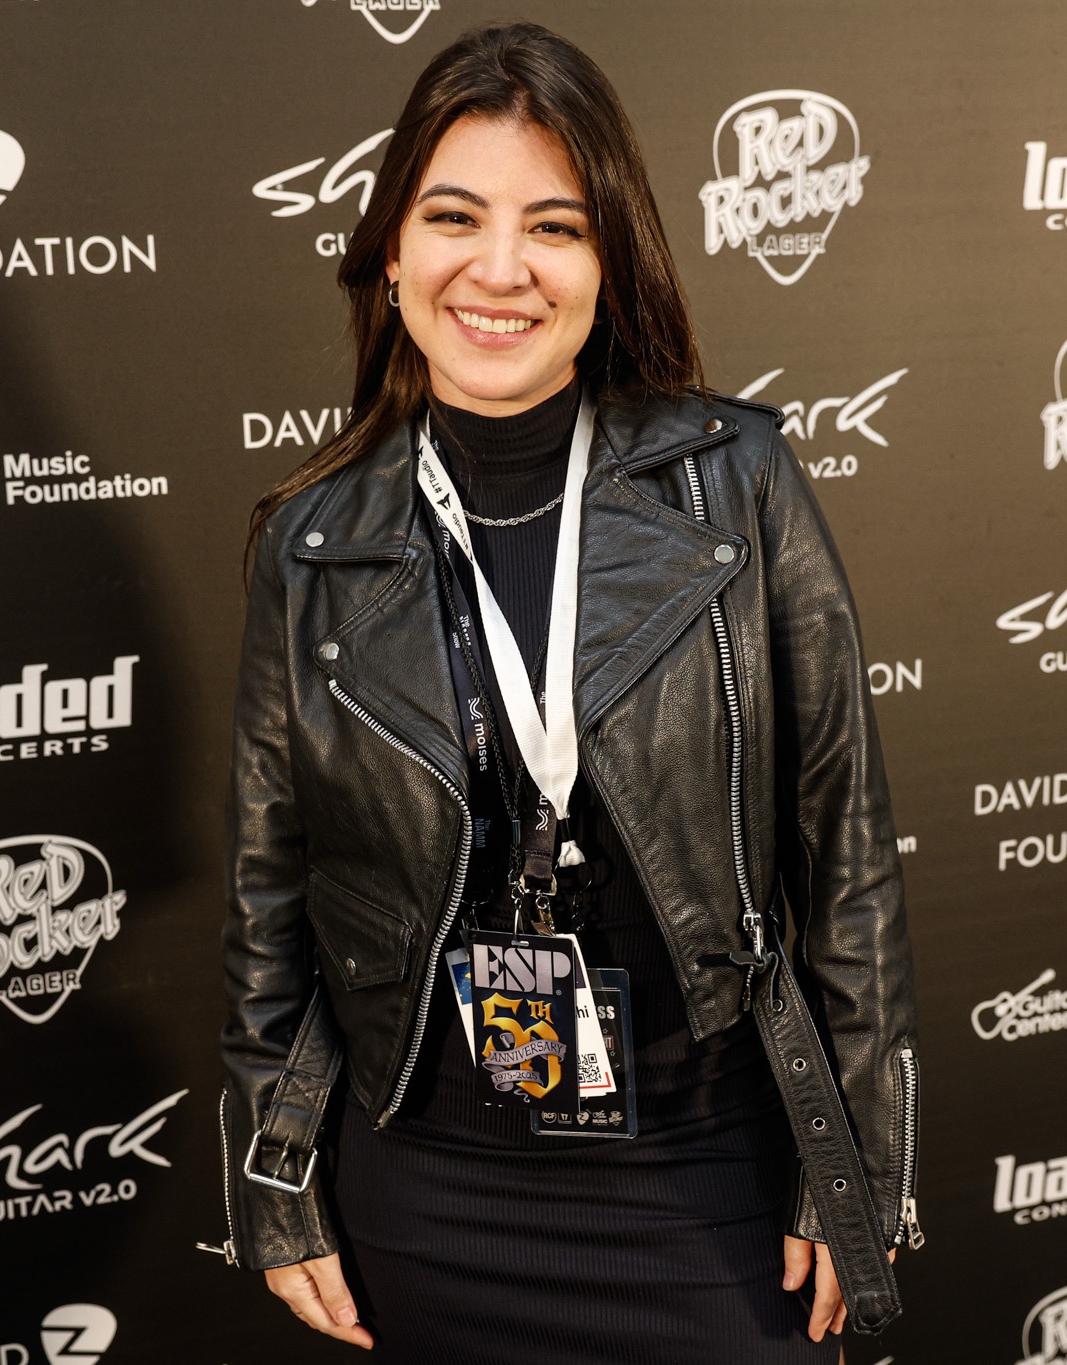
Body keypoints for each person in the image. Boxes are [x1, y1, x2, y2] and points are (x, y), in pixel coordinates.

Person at [220, 22, 919, 1362]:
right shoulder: (312, 542)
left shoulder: (739, 485)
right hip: (427, 1188)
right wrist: (272, 1171)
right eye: (453, 217)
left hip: (709, 1175)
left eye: (554, 226)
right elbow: (271, 897)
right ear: (391, 250)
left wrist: (856, 1165)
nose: (500, 269)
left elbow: (847, 856)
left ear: (612, 261)